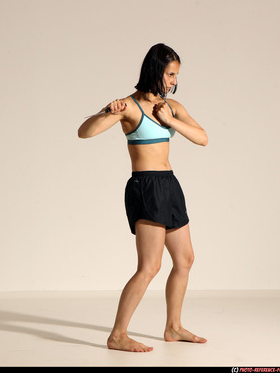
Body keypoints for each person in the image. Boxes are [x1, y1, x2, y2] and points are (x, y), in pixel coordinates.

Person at [78, 43, 208, 352]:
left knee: (185, 260)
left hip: (170, 185)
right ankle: (117, 335)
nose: (174, 81)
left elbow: (203, 138)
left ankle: (174, 328)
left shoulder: (172, 107)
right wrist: (107, 111)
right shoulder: (129, 106)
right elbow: (84, 132)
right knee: (149, 266)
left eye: (176, 75)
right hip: (145, 186)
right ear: (155, 71)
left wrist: (170, 120)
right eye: (170, 74)